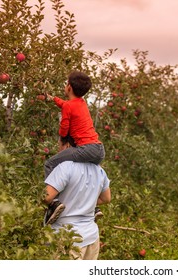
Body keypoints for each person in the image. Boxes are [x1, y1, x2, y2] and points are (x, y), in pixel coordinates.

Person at [44, 70, 106, 220]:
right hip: (99, 150)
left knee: (49, 164)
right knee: (85, 173)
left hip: (86, 149)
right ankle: (94, 206)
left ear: (69, 87)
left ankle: (53, 203)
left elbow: (65, 127)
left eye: (66, 83)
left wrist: (63, 140)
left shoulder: (69, 107)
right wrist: (53, 99)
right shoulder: (81, 103)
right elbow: (66, 105)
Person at [43, 136, 111, 260]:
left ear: (67, 146)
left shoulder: (65, 167)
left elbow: (46, 197)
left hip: (66, 239)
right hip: (91, 238)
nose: (59, 150)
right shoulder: (99, 170)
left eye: (60, 146)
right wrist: (86, 202)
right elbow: (106, 198)